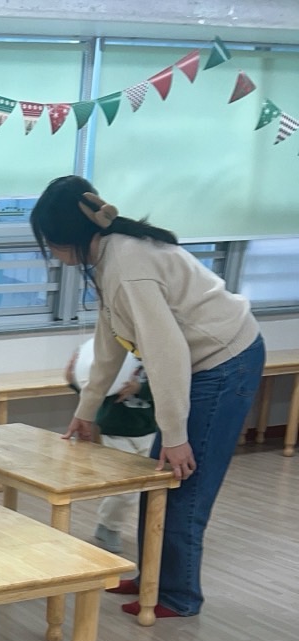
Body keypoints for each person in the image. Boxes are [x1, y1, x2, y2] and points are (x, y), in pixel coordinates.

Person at [31, 175, 264, 618]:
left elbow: (166, 352)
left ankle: (177, 595)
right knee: (158, 482)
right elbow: (110, 341)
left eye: (51, 243)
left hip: (224, 360)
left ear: (68, 237)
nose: (53, 253)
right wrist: (87, 410)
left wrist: (175, 434)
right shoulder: (107, 256)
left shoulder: (127, 265)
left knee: (183, 484)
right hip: (199, 362)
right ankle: (153, 578)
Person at [64, 339, 158, 555]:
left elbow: (169, 387)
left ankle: (139, 528)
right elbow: (94, 387)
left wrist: (140, 388)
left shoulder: (156, 350)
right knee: (126, 488)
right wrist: (73, 381)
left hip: (150, 430)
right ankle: (109, 527)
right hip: (116, 431)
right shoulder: (116, 350)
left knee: (148, 487)